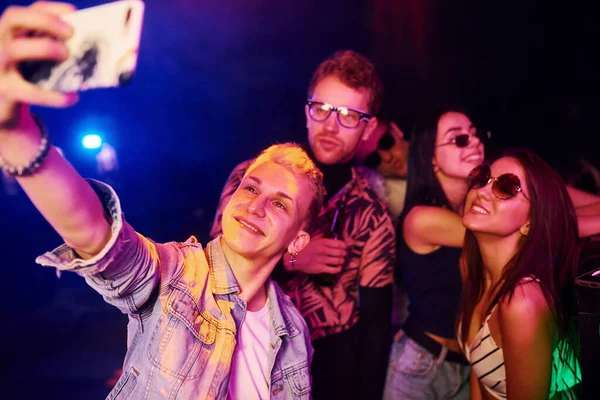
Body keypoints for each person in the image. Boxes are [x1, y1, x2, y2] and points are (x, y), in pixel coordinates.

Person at [0, 3, 325, 399]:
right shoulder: (178, 275)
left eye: (279, 204)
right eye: (251, 188)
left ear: (298, 241)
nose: (255, 206)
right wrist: (16, 133)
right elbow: (99, 239)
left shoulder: (293, 330)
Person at [212, 50, 395, 399]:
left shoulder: (372, 215)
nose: (330, 125)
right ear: (307, 110)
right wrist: (292, 259)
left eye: (349, 115)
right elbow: (212, 264)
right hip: (238, 345)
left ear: (368, 127)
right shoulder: (254, 177)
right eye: (322, 108)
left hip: (327, 368)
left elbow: (375, 331)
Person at [459, 149, 582, 399]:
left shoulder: (522, 300)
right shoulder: (473, 270)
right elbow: (478, 376)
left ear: (530, 221)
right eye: (483, 179)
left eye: (506, 187)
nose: (481, 191)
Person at [383, 105, 485, 399]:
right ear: (431, 158)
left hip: (464, 365)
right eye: (459, 139)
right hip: (422, 367)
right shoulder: (422, 218)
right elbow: (524, 227)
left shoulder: (470, 207)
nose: (474, 142)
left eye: (474, 135)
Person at [355, 119, 409, 220]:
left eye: (385, 143)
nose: (387, 158)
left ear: (396, 130)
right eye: (373, 159)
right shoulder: (393, 207)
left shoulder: (436, 142)